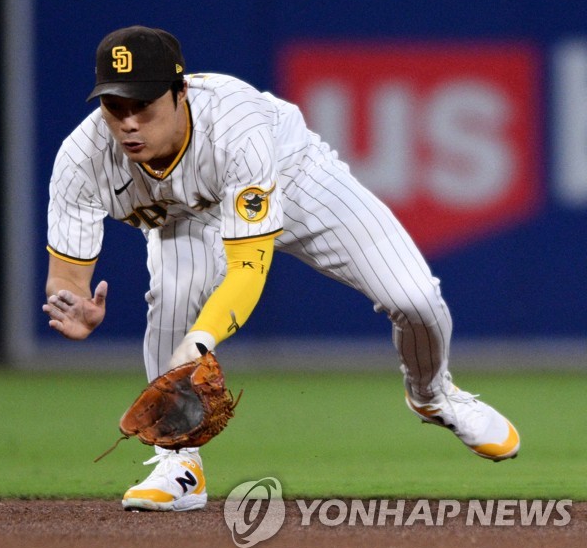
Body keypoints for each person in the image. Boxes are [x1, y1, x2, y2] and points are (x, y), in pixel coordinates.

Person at [41, 25, 521, 513]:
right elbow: (67, 276)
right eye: (114, 106)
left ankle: (434, 394)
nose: (128, 123)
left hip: (295, 181)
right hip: (187, 221)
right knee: (173, 301)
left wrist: (201, 340)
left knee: (415, 299)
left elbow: (248, 269)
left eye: (142, 104)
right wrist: (72, 303)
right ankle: (178, 462)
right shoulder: (83, 159)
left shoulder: (234, 124)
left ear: (180, 91)